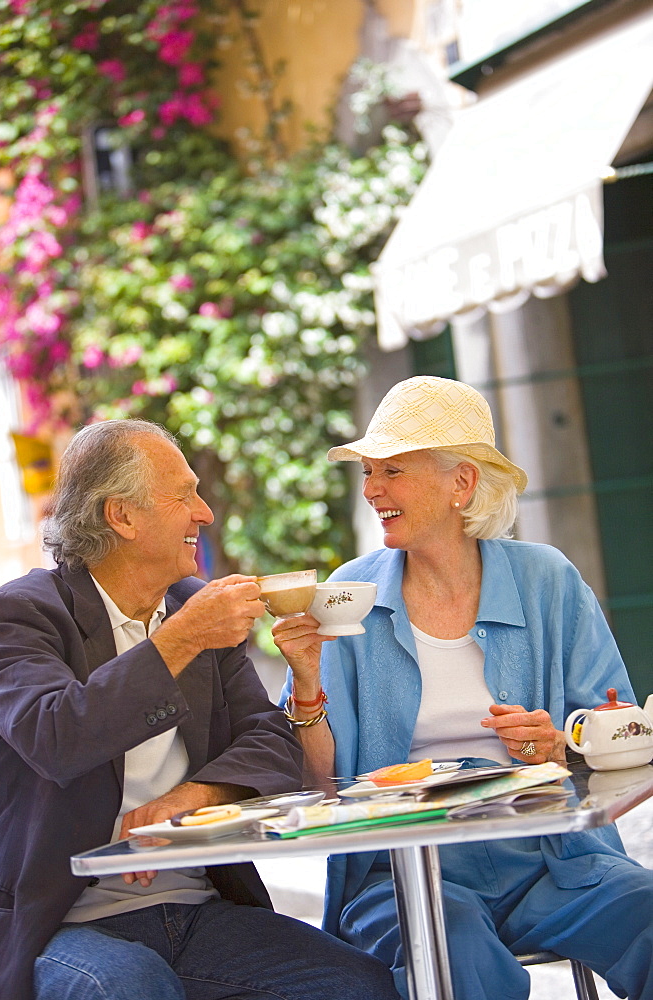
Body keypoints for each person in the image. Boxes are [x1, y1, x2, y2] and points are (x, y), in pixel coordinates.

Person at [0, 418, 400, 1000]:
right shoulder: (20, 615)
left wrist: (194, 799)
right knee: (132, 984)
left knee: (356, 981)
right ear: (120, 516)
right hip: (63, 922)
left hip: (196, 908)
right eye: (184, 496)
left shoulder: (187, 606)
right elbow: (56, 736)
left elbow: (268, 739)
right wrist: (180, 638)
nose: (204, 513)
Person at [273, 376, 653, 1000]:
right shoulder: (349, 595)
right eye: (369, 473)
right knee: (451, 950)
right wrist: (308, 687)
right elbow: (318, 786)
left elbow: (625, 734)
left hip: (551, 857)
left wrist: (560, 742)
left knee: (644, 908)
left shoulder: (548, 582)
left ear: (462, 483)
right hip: (403, 876)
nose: (372, 490)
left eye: (391, 470)